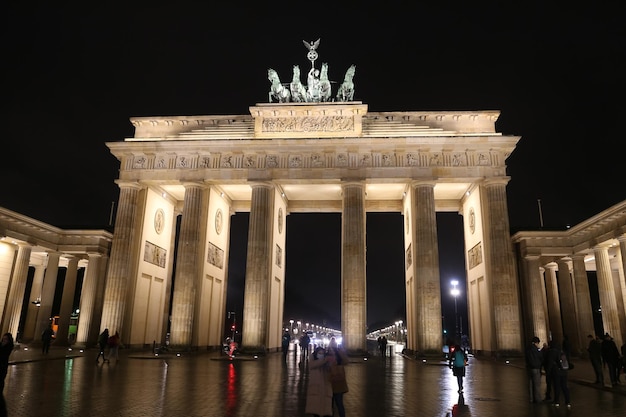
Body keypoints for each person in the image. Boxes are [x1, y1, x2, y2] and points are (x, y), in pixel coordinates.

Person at [305, 346, 333, 417]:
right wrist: (324, 360)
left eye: (322, 353)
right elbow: (314, 365)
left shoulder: (326, 363)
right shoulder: (312, 361)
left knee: (325, 411)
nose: (321, 354)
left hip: (325, 390)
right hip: (315, 389)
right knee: (316, 411)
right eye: (319, 353)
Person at [327, 337, 349, 417]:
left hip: (338, 385)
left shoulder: (339, 359)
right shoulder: (327, 358)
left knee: (339, 404)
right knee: (331, 405)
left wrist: (341, 352)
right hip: (330, 385)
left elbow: (346, 361)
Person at [546, 340, 571, 407]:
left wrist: (548, 372)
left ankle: (556, 401)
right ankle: (568, 402)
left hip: (556, 371)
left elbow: (550, 363)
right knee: (564, 386)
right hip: (564, 371)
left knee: (557, 386)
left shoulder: (552, 352)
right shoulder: (562, 351)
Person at [525, 336, 543, 403]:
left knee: (530, 383)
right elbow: (540, 357)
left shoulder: (528, 349)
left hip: (529, 367)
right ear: (537, 342)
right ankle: (537, 399)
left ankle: (531, 398)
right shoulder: (536, 349)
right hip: (536, 368)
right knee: (537, 384)